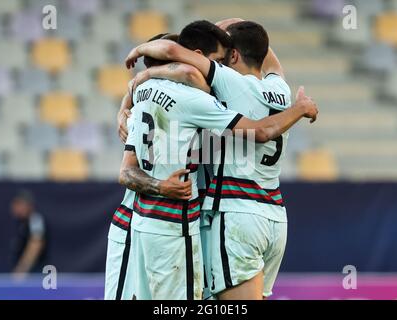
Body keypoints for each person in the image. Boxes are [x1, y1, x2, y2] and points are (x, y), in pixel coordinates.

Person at [121, 20, 318, 300]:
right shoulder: (280, 86)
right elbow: (267, 56)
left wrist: (141, 71)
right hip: (275, 215)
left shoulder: (229, 82)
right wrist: (299, 108)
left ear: (233, 56)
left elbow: (176, 54)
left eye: (226, 56)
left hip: (237, 212)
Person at [104, 33, 191, 300]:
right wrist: (163, 187)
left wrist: (125, 102)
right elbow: (126, 172)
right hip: (136, 221)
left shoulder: (177, 102)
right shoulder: (145, 104)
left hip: (167, 226)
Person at [10, 190, 47, 277]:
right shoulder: (21, 222)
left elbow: (36, 245)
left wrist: (22, 269)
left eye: (19, 204)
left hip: (35, 272)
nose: (16, 207)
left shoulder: (35, 220)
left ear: (28, 206)